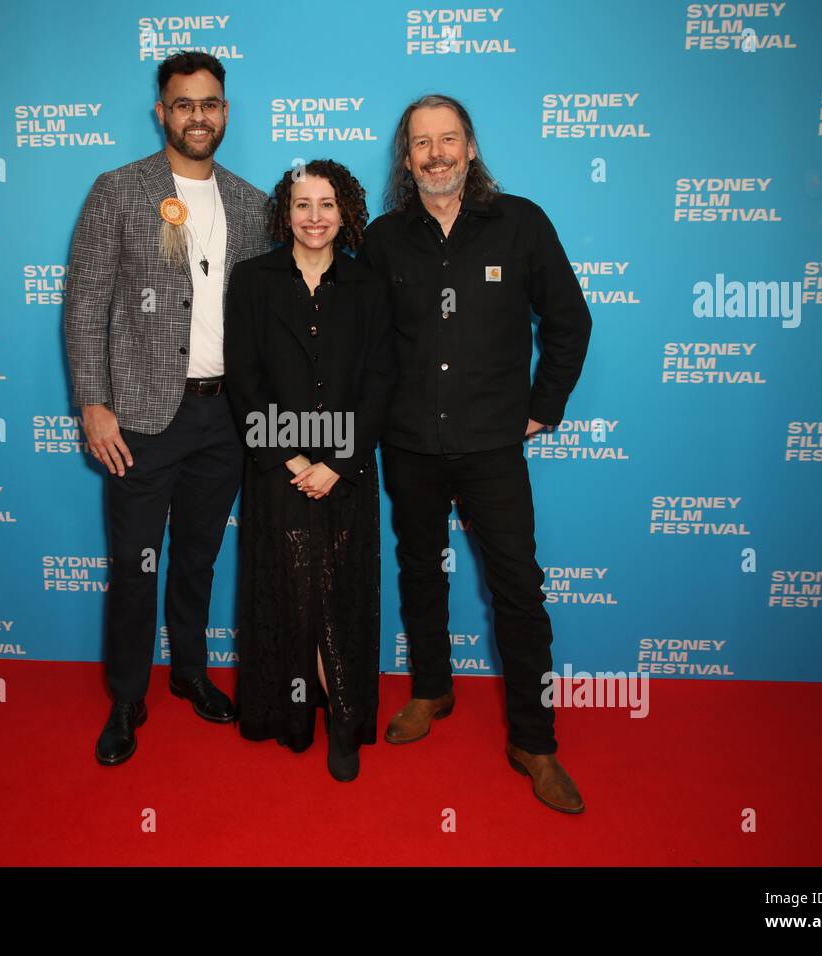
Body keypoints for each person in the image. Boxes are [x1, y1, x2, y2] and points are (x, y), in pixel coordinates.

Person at [357, 94, 592, 812]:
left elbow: (569, 321)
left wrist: (542, 410)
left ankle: (534, 739)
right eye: (422, 142)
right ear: (406, 158)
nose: (436, 153)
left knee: (518, 589)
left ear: (471, 147)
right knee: (420, 572)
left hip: (494, 445)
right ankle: (432, 689)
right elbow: (362, 342)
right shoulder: (383, 237)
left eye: (448, 138)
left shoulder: (519, 222)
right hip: (410, 444)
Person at [63, 51, 271, 766]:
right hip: (144, 419)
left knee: (199, 558)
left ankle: (188, 672)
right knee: (134, 563)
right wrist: (94, 404)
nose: (198, 116)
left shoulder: (251, 203)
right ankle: (127, 697)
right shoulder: (118, 191)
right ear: (162, 112)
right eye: (184, 104)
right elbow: (86, 305)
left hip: (225, 418)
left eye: (210, 103)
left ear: (225, 112)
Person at [224, 160, 396, 781]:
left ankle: (344, 720)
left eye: (327, 204)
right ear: (285, 213)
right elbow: (243, 381)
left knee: (341, 589)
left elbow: (381, 382)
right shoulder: (252, 281)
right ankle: (295, 716)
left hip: (347, 469)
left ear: (345, 212)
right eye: (303, 204)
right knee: (296, 591)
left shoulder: (369, 287)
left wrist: (338, 463)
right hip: (279, 466)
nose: (315, 217)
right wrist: (295, 459)